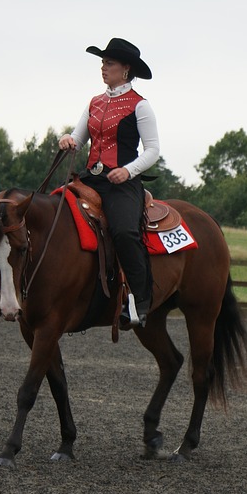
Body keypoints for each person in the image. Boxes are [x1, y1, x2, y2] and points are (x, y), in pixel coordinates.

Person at [58, 38, 160, 327]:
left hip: (123, 183)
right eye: (102, 63)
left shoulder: (141, 106)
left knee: (125, 231)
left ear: (125, 69)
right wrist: (68, 139)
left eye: (109, 63)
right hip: (92, 178)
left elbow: (153, 150)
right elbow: (78, 139)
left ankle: (141, 300)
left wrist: (128, 171)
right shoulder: (94, 102)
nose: (103, 67)